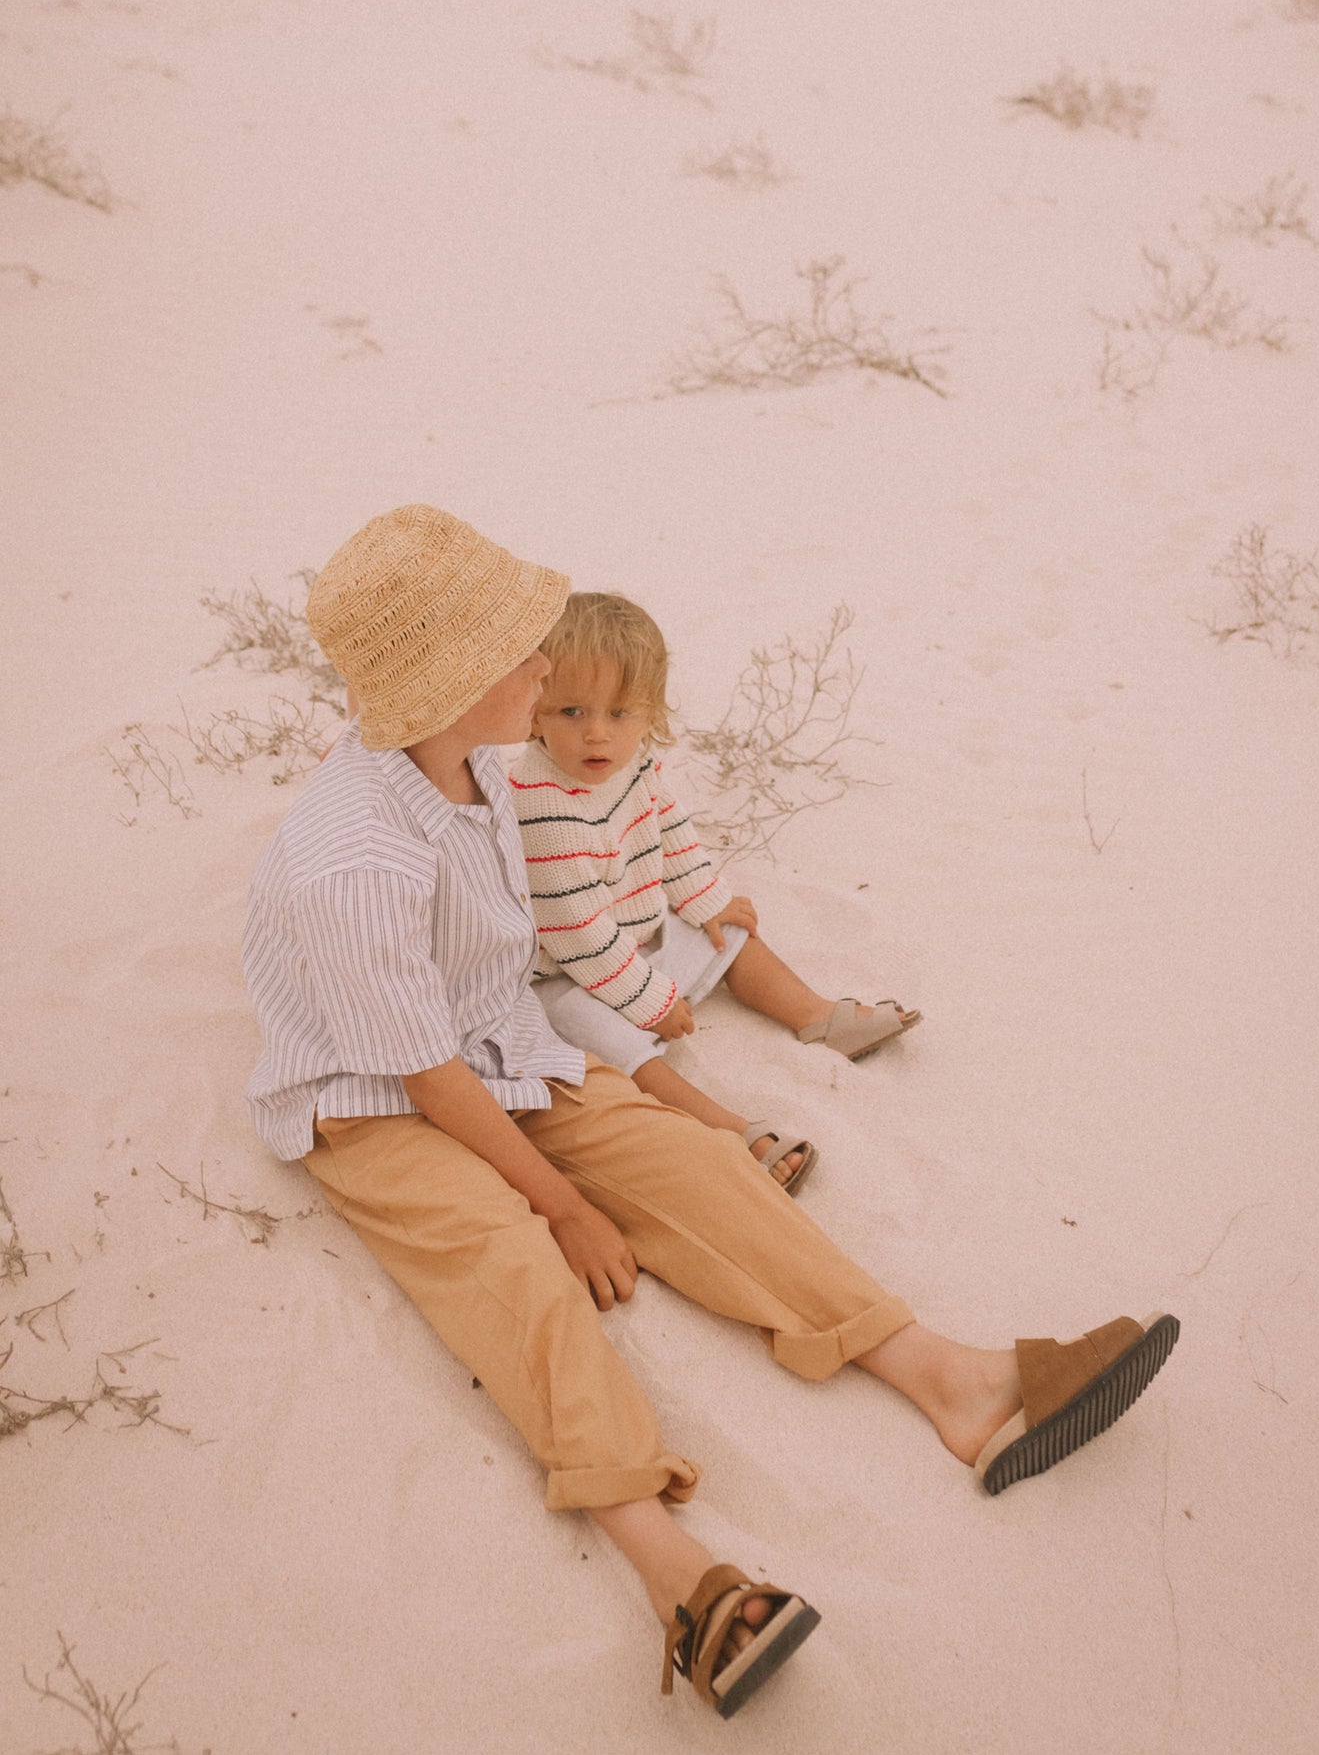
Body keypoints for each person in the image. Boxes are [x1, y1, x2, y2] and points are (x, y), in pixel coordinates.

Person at [241, 503, 1180, 1721]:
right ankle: (676, 1575)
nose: (545, 665)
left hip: (497, 1042)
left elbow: (594, 875)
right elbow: (422, 1076)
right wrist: (567, 1205)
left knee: (694, 1163)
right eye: (523, 652)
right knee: (514, 1266)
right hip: (374, 1095)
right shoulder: (352, 860)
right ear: (456, 678)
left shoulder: (482, 760)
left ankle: (952, 1379)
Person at [510, 591, 919, 1195]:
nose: (597, 735)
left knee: (729, 936)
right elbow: (577, 935)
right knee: (622, 1053)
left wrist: (706, 899)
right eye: (572, 711)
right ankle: (730, 1130)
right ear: (535, 708)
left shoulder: (629, 766)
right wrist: (652, 1003)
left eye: (619, 714)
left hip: (636, 935)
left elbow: (669, 830)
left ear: (650, 715)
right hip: (568, 974)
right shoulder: (540, 803)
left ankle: (816, 1016)